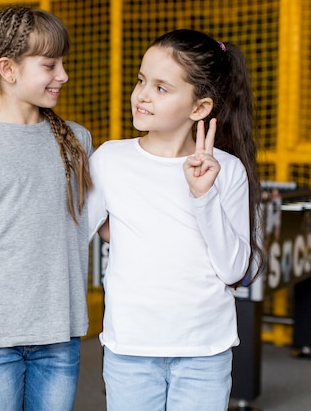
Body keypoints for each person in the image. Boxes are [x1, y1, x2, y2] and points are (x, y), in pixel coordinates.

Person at [87, 29, 263, 411]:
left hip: (205, 350)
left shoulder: (227, 171)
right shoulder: (109, 159)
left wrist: (204, 196)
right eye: (140, 80)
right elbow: (67, 235)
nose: (142, 95)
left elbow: (233, 269)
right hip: (130, 348)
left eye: (161, 88)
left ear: (199, 108)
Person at [0, 6, 93, 411]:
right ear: (8, 69)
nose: (63, 75)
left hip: (60, 333)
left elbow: (101, 222)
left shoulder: (78, 140)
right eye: (50, 65)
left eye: (63, 63)